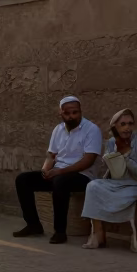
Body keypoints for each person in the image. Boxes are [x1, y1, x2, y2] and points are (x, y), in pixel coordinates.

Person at [13, 96, 103, 244]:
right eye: (68, 113)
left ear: (80, 112)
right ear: (60, 113)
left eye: (75, 112)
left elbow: (88, 160)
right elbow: (51, 155)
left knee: (60, 182)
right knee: (23, 179)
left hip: (82, 176)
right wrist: (45, 170)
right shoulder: (58, 129)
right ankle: (33, 224)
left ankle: (60, 232)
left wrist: (59, 172)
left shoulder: (92, 130)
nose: (72, 116)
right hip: (58, 173)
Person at [81, 109, 137, 250]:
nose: (127, 128)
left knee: (126, 195)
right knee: (92, 186)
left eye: (130, 124)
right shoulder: (111, 142)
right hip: (117, 183)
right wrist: (112, 156)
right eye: (123, 124)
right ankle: (97, 233)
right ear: (115, 126)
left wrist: (126, 154)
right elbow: (114, 170)